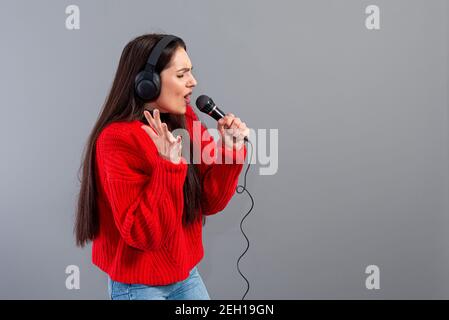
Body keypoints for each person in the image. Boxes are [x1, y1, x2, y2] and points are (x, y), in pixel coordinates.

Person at [74, 33, 249, 300]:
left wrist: (230, 149)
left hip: (186, 275)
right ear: (148, 83)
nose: (193, 82)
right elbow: (143, 236)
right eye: (181, 75)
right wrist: (168, 166)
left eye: (191, 72)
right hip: (139, 285)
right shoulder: (116, 139)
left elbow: (210, 201)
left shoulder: (185, 120)